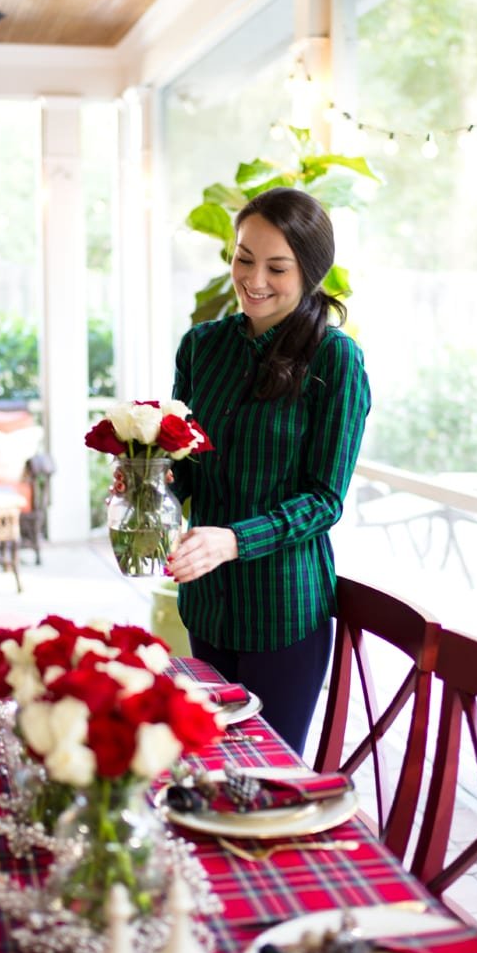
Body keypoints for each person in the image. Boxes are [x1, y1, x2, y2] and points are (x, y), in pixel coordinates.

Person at [168, 186, 370, 755]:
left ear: (310, 270)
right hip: (208, 604)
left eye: (277, 267)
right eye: (243, 258)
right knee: (208, 763)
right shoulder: (200, 348)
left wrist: (234, 540)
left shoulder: (335, 359)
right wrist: (150, 482)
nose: (254, 279)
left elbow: (323, 499)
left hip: (284, 614)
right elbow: (187, 461)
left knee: (267, 776)